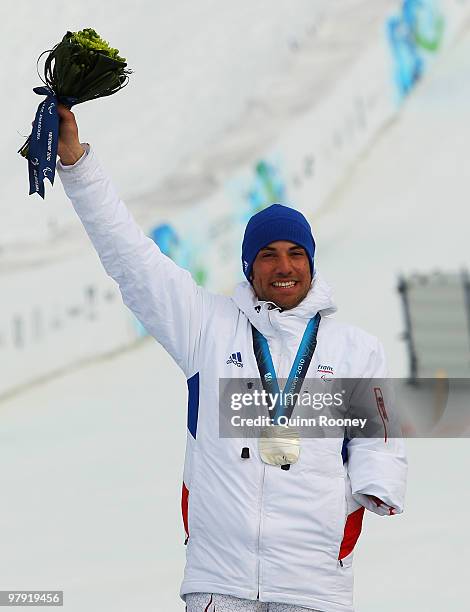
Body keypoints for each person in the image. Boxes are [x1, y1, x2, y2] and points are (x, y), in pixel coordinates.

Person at [55, 104, 407, 612]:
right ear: (249, 267)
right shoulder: (207, 327)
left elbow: (380, 438)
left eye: (295, 253)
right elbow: (132, 259)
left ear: (311, 262)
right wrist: (77, 165)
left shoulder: (353, 349)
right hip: (219, 583)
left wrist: (372, 491)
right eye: (268, 254)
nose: (283, 266)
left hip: (313, 587)